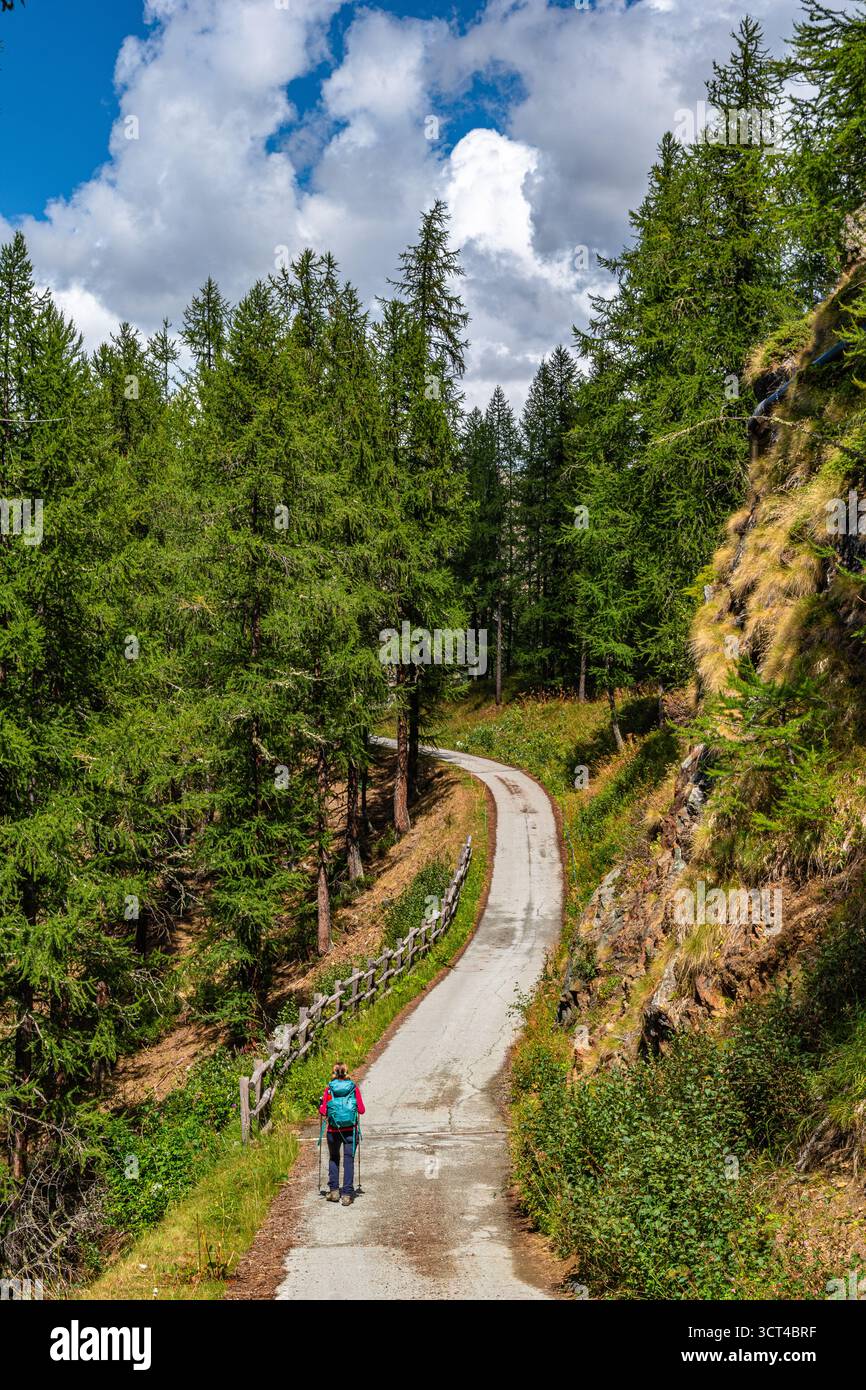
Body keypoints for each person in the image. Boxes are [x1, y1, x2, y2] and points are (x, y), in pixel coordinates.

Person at [319, 1063, 365, 1205]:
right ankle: (346, 1195)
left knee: (333, 1158)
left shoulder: (329, 1089)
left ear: (333, 1073)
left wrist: (321, 1105)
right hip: (350, 1130)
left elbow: (324, 1111)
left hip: (333, 1130)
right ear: (347, 1072)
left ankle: (334, 1191)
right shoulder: (353, 1088)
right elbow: (362, 1110)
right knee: (348, 1160)